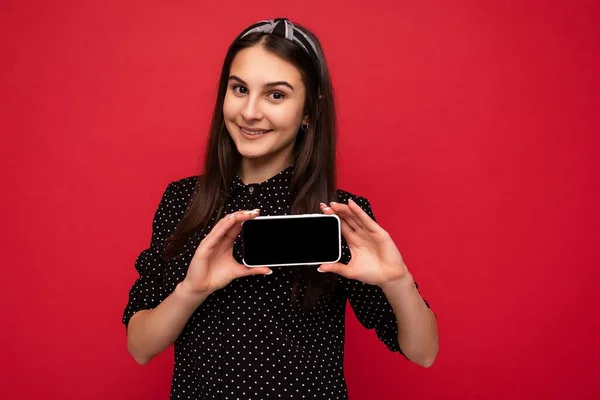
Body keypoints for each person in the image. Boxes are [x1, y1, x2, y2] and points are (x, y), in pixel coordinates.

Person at [123, 18, 438, 399]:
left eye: (276, 95)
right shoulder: (183, 201)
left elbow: (423, 352)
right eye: (239, 89)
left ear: (309, 110)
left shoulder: (337, 214)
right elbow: (140, 347)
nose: (250, 112)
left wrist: (397, 281)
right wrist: (192, 289)